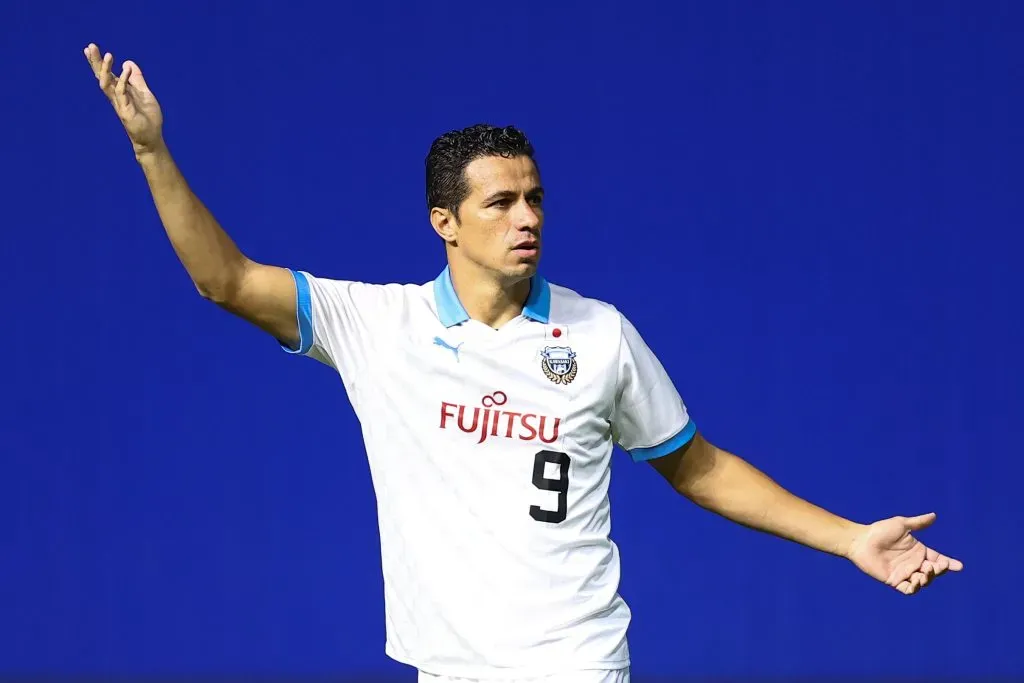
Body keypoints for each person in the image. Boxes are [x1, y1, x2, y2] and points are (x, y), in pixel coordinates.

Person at [84, 43, 962, 683]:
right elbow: (224, 279)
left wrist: (851, 536)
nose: (527, 217)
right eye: (501, 201)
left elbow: (698, 467)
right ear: (445, 222)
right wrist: (152, 152)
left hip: (578, 664)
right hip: (448, 670)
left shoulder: (600, 334)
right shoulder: (375, 322)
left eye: (535, 198)